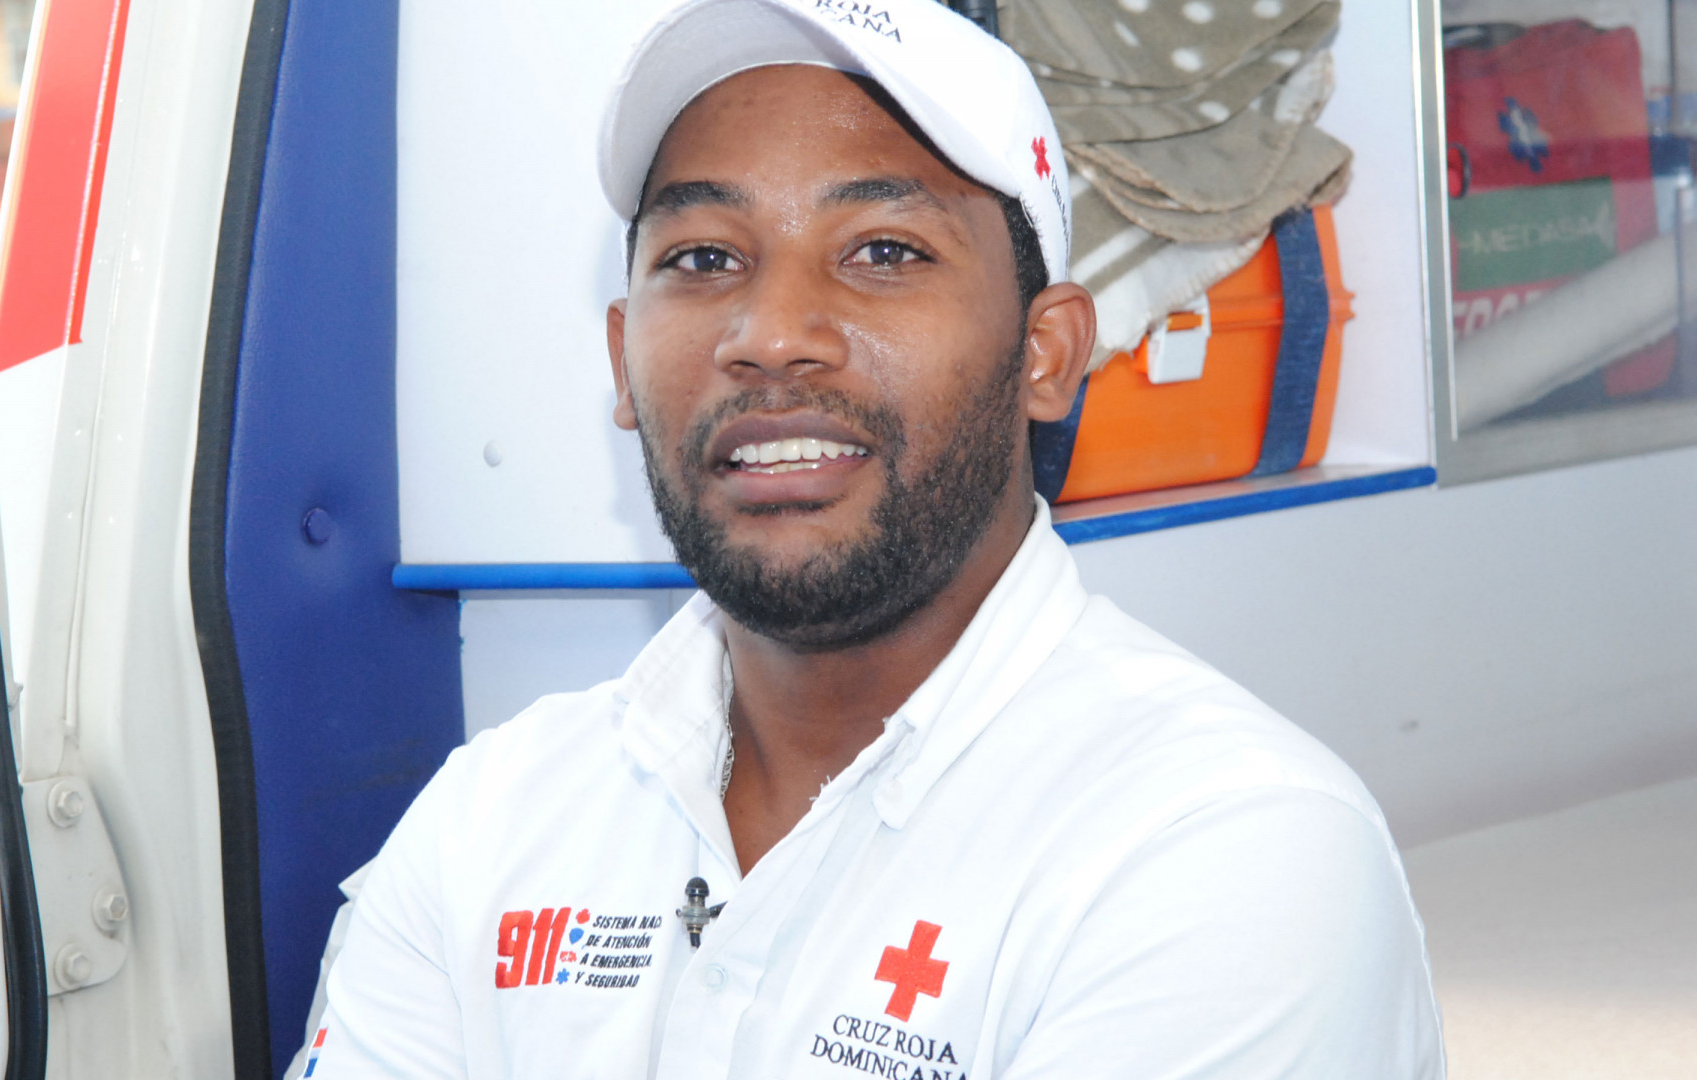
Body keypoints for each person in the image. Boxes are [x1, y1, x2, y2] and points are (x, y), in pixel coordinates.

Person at [301, 1, 1443, 1076]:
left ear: (1046, 354)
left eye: (885, 251)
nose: (771, 334)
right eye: (703, 258)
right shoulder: (493, 818)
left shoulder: (1221, 846)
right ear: (621, 362)